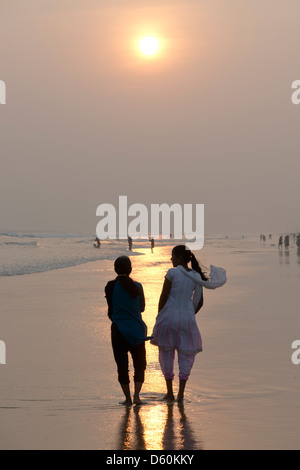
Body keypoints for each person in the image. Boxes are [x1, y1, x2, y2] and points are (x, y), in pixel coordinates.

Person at [150, 245, 226, 402]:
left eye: (172, 257)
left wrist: (159, 317)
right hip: (187, 319)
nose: (171, 260)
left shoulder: (172, 272)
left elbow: (163, 298)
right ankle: (181, 394)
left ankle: (170, 393)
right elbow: (199, 302)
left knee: (166, 354)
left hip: (169, 317)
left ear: (178, 258)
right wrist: (188, 313)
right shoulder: (195, 276)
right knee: (186, 355)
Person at [105, 256, 150, 406]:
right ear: (130, 269)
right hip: (136, 330)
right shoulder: (138, 286)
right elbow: (142, 308)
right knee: (139, 364)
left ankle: (128, 399)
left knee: (122, 366)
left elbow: (110, 309)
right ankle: (137, 396)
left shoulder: (110, 286)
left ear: (115, 269)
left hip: (118, 330)